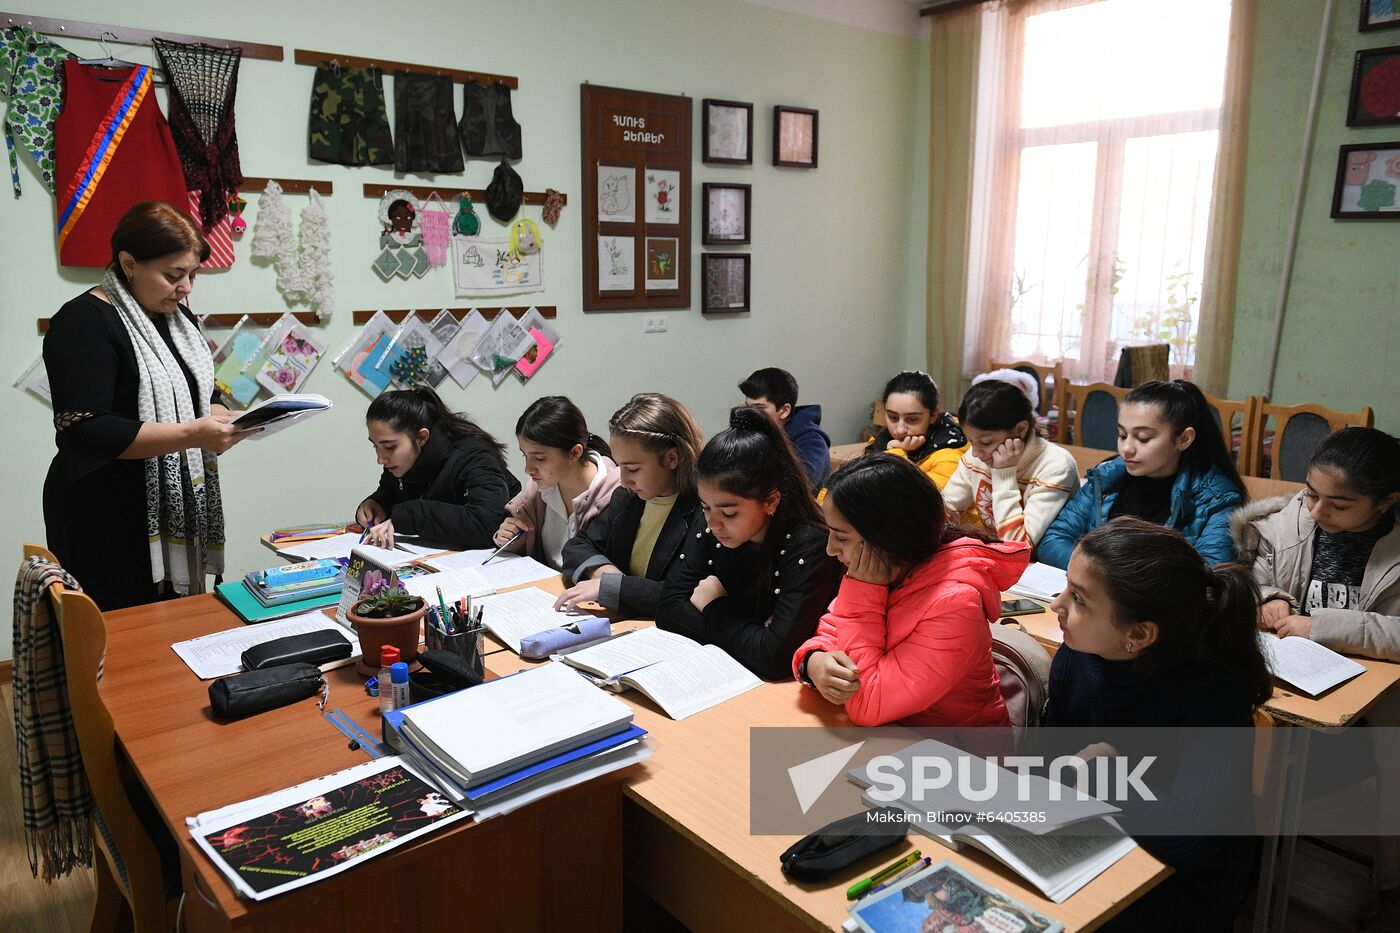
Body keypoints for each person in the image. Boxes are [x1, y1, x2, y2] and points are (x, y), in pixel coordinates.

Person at [1041, 518, 1272, 931]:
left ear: (1139, 634)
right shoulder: (1077, 656)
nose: (1057, 606)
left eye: (1079, 599)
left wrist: (1099, 771)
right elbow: (1052, 766)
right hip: (1096, 844)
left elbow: (1189, 841)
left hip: (1180, 888)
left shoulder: (1212, 696)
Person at [43, 200, 253, 610]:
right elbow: (87, 429)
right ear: (129, 263)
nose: (187, 287)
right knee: (120, 637)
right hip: (104, 511)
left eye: (193, 275)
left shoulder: (178, 319)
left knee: (170, 627)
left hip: (170, 500)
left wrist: (222, 415)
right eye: (174, 275)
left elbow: (198, 393)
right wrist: (193, 433)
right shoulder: (84, 321)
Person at [1234, 426, 1400, 889]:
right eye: (1310, 494)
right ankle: (1248, 850)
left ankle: (1384, 878)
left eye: (1340, 505)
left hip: (1371, 696)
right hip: (1290, 676)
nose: (1317, 511)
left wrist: (1323, 626)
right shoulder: (1296, 517)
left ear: (1387, 501)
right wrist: (1270, 595)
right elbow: (1257, 566)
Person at [794, 454, 1024, 729]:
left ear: (889, 536)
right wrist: (814, 661)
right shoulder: (884, 570)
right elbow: (832, 630)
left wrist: (863, 595)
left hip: (962, 757)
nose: (830, 549)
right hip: (896, 740)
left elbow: (868, 702)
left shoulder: (956, 602)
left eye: (841, 537)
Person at [657, 407, 840, 680]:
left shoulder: (808, 545)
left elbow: (775, 659)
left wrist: (713, 606)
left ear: (771, 501)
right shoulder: (713, 523)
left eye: (730, 513)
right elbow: (668, 609)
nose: (712, 523)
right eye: (705, 507)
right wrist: (754, 633)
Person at [1037, 379, 1245, 569]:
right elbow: (1053, 539)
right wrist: (1098, 573)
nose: (1126, 448)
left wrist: (1111, 579)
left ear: (1184, 439)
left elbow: (1211, 574)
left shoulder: (1216, 498)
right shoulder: (1106, 478)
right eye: (1122, 434)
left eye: (1143, 438)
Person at [557, 393, 704, 616]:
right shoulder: (627, 497)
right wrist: (604, 574)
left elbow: (686, 593)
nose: (623, 479)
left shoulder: (706, 511)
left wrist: (614, 587)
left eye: (633, 469)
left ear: (672, 458)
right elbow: (579, 544)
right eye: (620, 466)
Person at [355, 387, 520, 550]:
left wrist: (406, 517)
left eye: (390, 447)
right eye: (375, 446)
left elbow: (487, 524)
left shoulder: (473, 455)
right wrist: (377, 503)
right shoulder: (400, 462)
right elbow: (393, 493)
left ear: (421, 437)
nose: (380, 458)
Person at [941, 379, 1079, 551]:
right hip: (993, 553)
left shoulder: (1056, 465)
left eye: (986, 442)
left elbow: (1018, 546)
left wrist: (1004, 474)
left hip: (1038, 565)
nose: (975, 453)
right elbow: (945, 512)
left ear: (1021, 429)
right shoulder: (977, 455)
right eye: (971, 441)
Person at [494, 396, 620, 570]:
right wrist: (512, 540)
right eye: (525, 455)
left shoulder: (616, 493)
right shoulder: (539, 489)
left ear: (575, 453)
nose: (528, 468)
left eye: (540, 458)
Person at [863, 370, 968, 490]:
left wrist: (896, 452)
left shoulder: (950, 456)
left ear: (933, 415)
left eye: (912, 419)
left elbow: (914, 502)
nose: (900, 429)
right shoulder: (882, 439)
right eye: (893, 417)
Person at [739, 366, 831, 489]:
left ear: (784, 411)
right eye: (748, 407)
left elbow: (798, 487)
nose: (750, 414)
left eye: (759, 408)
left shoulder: (812, 441)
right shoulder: (755, 433)